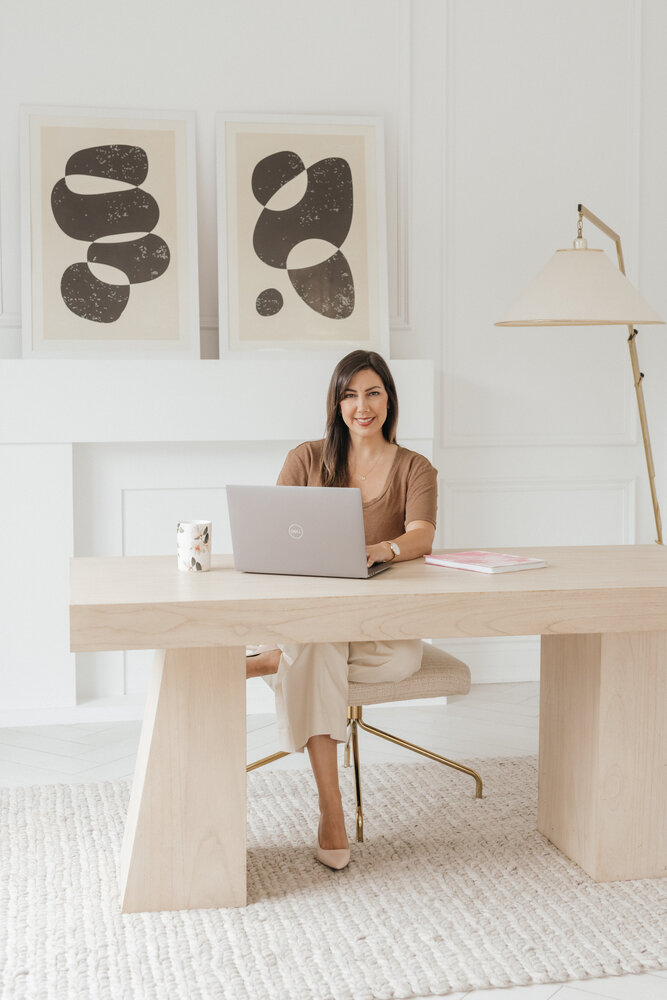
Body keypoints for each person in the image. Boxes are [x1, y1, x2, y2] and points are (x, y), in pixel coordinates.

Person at [246, 349, 437, 870]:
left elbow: (421, 534)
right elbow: (272, 528)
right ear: (337, 403)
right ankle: (331, 810)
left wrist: (384, 549)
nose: (362, 405)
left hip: (379, 617)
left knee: (394, 661)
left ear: (389, 398)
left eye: (373, 392)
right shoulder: (305, 459)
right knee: (319, 639)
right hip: (315, 610)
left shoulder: (414, 467)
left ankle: (274, 657)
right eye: (349, 394)